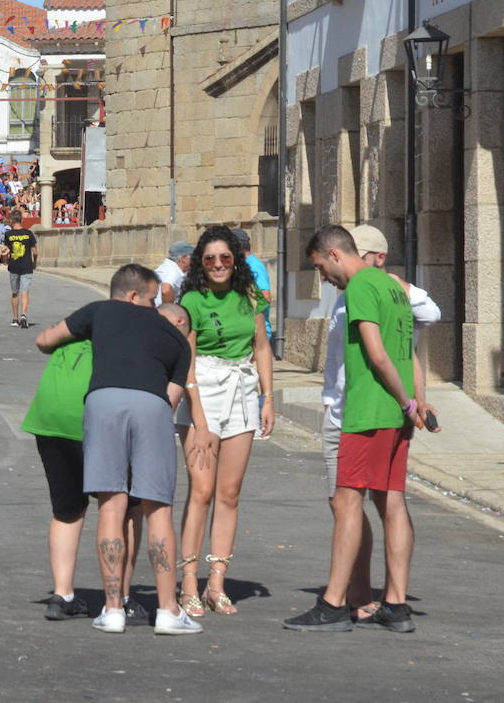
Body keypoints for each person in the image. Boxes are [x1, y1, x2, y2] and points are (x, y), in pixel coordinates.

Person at [37, 264, 202, 636]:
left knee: (110, 504)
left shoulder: (99, 311)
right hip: (152, 404)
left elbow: (46, 339)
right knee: (157, 506)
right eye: (151, 297)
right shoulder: (177, 339)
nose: (152, 304)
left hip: (103, 400)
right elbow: (170, 400)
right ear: (135, 296)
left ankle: (112, 610)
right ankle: (168, 611)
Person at [285, 225, 430, 632]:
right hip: (397, 417)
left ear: (334, 253)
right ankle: (397, 605)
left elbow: (379, 354)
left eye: (319, 267)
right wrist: (416, 402)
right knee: (393, 503)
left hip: (368, 410)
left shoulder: (361, 288)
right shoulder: (394, 288)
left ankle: (332, 604)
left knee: (347, 502)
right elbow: (410, 350)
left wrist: (405, 399)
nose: (323, 278)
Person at [173, 225, 274, 617]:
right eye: (210, 258)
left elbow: (261, 347)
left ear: (236, 260)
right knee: (201, 490)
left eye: (225, 258)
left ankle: (216, 583)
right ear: (201, 262)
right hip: (203, 390)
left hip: (243, 388)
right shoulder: (193, 300)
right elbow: (187, 358)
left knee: (229, 493)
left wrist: (268, 398)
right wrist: (197, 416)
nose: (218, 265)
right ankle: (188, 583)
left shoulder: (249, 297)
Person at [4, 211, 37, 328]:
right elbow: (35, 252)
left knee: (14, 293)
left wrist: (7, 259)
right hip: (27, 266)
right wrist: (35, 262)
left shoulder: (8, 235)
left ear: (12, 221)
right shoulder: (29, 234)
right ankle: (23, 314)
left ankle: (15, 318)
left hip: (13, 266)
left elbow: (7, 252)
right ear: (22, 220)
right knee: (24, 292)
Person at [154, 241, 193, 305]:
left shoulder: (167, 266)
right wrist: (170, 310)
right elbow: (165, 290)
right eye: (193, 258)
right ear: (184, 258)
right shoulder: (173, 271)